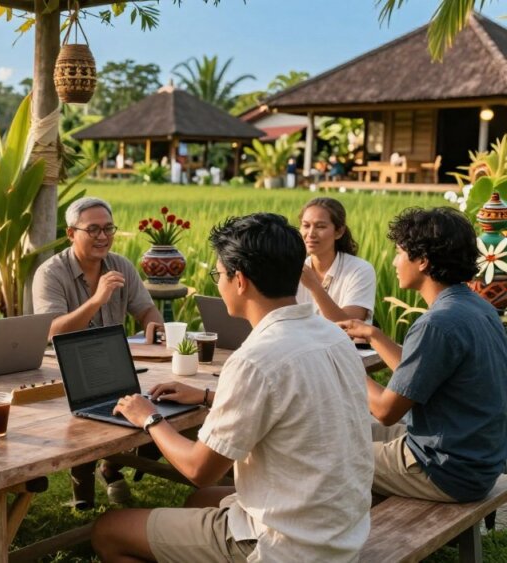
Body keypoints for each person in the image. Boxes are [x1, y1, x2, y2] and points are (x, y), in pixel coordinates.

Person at [93, 213, 372, 562]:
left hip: (286, 546)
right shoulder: (333, 336)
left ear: (239, 281)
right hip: (343, 531)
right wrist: (210, 397)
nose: (218, 283)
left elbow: (200, 470)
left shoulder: (255, 359)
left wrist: (149, 418)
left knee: (108, 529)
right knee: (200, 502)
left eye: (219, 275)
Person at [339, 207, 507, 503]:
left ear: (423, 261)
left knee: (328, 458)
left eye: (400, 252)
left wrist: (344, 363)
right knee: (348, 429)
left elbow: (386, 411)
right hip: (476, 459)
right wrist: (374, 335)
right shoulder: (476, 308)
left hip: (444, 469)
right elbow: (421, 370)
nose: (393, 261)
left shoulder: (436, 323)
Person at [33, 196, 164, 507]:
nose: (103, 237)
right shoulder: (50, 273)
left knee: (161, 403)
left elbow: (147, 311)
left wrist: (155, 329)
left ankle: (112, 466)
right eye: (93, 230)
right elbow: (52, 331)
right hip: (65, 368)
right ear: (70, 233)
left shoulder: (121, 266)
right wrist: (97, 300)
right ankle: (85, 491)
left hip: (115, 364)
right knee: (91, 408)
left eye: (108, 228)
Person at [297, 197, 377, 323]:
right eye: (306, 226)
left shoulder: (360, 270)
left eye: (320, 226)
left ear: (339, 232)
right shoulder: (295, 268)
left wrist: (314, 286)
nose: (311, 233)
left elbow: (350, 324)